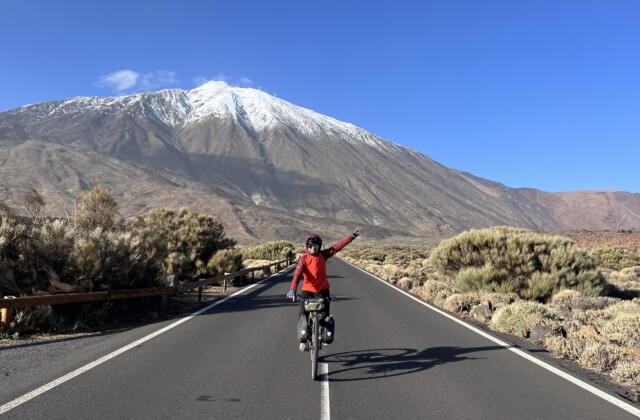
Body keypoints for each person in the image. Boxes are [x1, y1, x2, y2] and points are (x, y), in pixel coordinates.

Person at [287, 227, 362, 351]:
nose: (314, 248)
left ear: (319, 246)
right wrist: (292, 289)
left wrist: (352, 236)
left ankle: (322, 334)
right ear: (307, 246)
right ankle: (303, 340)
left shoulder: (323, 255)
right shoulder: (303, 259)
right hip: (308, 290)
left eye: (316, 246)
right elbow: (298, 273)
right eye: (311, 246)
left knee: (325, 316)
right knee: (303, 314)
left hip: (323, 290)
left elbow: (337, 247)